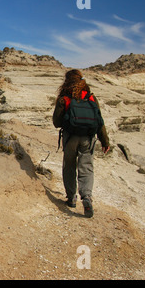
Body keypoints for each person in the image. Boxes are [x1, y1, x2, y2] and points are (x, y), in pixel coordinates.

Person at [53, 69, 110, 218]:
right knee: (86, 168)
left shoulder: (64, 98)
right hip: (88, 139)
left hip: (70, 138)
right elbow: (100, 121)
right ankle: (86, 197)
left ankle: (71, 198)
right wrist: (105, 141)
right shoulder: (90, 97)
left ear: (67, 80)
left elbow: (56, 122)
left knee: (69, 167)